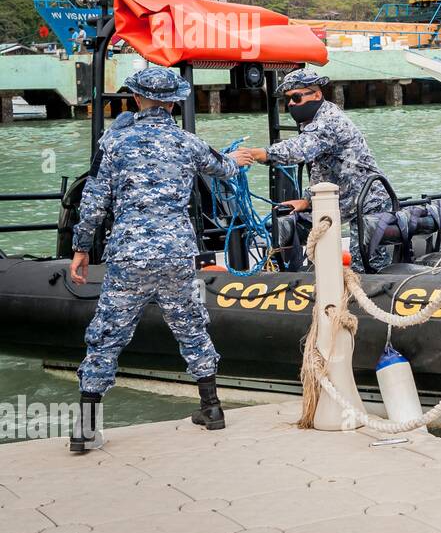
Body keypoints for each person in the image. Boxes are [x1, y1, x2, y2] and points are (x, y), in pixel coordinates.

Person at [68, 66, 242, 452]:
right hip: (177, 252)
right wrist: (238, 156)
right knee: (191, 326)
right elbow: (226, 167)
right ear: (172, 101)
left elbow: (94, 202)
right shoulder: (187, 143)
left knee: (107, 334)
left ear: (135, 98)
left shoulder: (114, 143)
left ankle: (85, 430)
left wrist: (80, 248)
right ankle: (211, 409)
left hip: (129, 254)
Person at [233, 69, 393, 271]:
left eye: (296, 97)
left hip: (368, 202)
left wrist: (258, 154)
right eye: (288, 99)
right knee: (284, 221)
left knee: (368, 267)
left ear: (316, 95)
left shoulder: (328, 121)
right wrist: (307, 200)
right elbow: (321, 170)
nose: (291, 103)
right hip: (341, 199)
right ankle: (287, 271)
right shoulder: (313, 122)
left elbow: (298, 150)